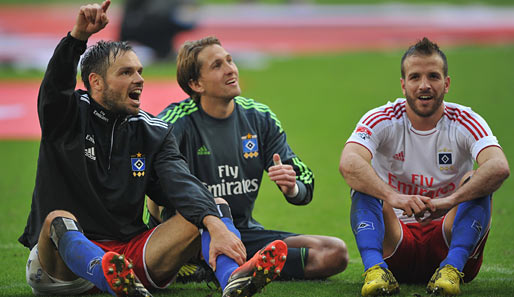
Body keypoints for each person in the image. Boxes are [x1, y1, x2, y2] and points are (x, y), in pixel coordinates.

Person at [18, 2, 287, 297]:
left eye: (140, 71)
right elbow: (56, 85)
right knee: (58, 220)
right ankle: (107, 276)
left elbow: (180, 183)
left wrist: (216, 223)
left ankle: (232, 278)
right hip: (62, 271)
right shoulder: (66, 116)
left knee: (212, 206)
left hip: (128, 259)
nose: (139, 79)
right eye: (126, 72)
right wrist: (77, 38)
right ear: (95, 82)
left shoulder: (153, 132)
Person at [148, 36, 349, 282]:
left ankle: (233, 268)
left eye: (229, 60)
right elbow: (149, 187)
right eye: (217, 65)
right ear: (196, 84)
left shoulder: (259, 118)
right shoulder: (173, 123)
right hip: (190, 234)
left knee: (333, 253)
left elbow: (303, 178)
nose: (230, 69)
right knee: (206, 211)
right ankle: (211, 264)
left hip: (243, 233)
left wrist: (292, 187)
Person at [339, 37, 510, 296]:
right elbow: (349, 162)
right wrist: (393, 196)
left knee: (478, 179)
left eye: (433, 76)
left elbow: (498, 166)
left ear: (447, 83)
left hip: (447, 239)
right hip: (395, 243)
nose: (424, 85)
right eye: (415, 77)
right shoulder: (382, 118)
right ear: (403, 84)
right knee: (363, 181)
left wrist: (448, 201)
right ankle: (375, 270)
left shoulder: (466, 120)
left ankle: (451, 270)